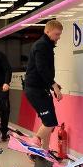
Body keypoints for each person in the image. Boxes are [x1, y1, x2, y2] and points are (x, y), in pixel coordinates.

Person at [24, 20, 64, 152]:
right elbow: (41, 69)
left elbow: (42, 71)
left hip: (41, 89)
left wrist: (54, 84)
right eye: (57, 34)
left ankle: (44, 152)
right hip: (36, 90)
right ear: (47, 31)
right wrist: (54, 85)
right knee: (50, 123)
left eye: (60, 34)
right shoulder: (41, 46)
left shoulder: (46, 45)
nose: (58, 37)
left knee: (49, 123)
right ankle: (33, 146)